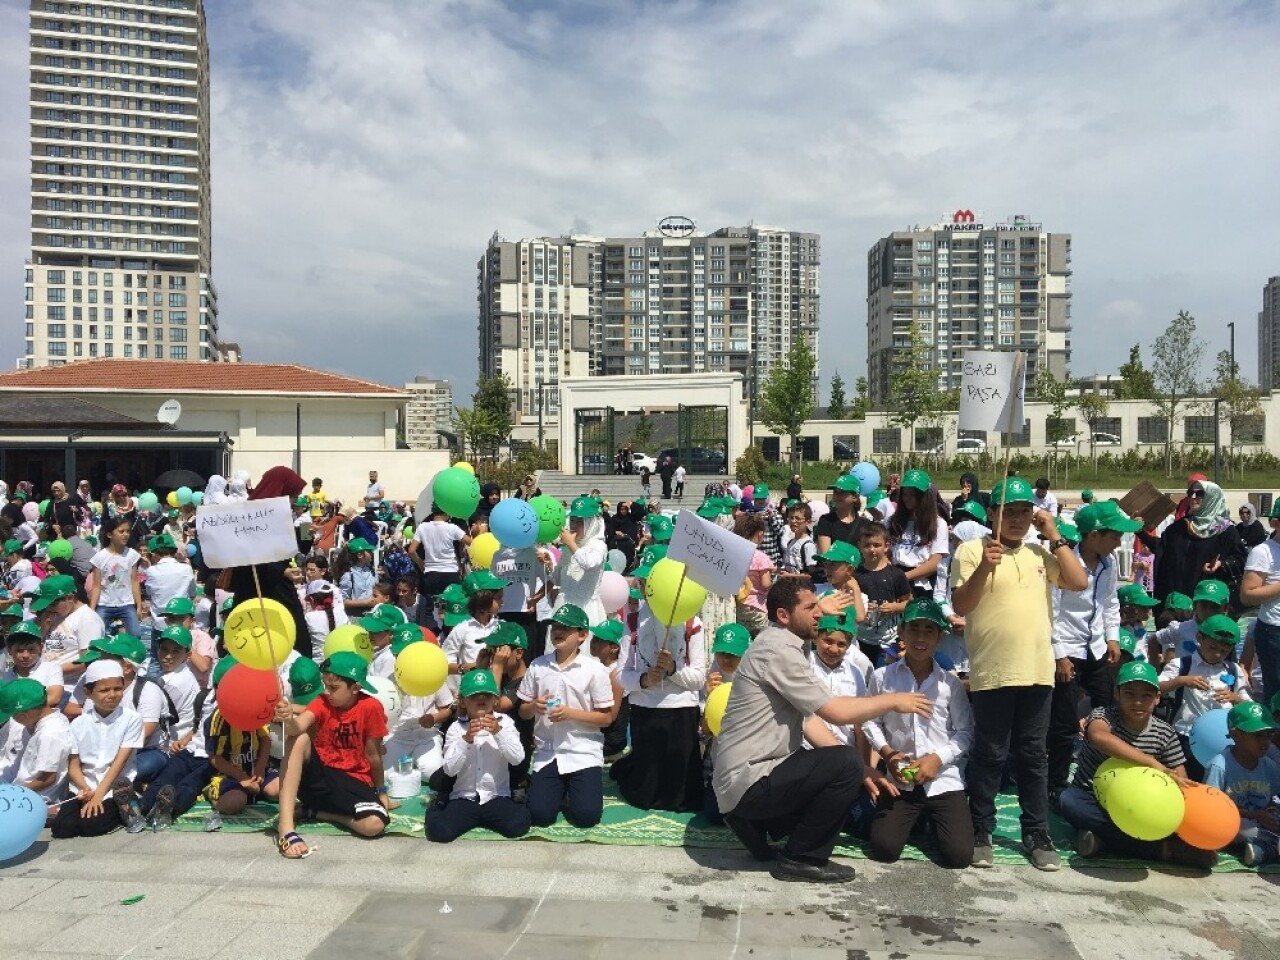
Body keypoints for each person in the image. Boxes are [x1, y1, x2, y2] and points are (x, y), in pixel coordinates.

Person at [712, 579, 930, 883]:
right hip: (751, 778)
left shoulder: (777, 641)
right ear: (784, 616)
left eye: (819, 607)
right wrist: (893, 700)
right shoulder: (779, 651)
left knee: (842, 764)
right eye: (811, 608)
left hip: (743, 779)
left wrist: (865, 769)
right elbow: (834, 713)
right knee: (844, 765)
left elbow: (809, 719)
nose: (819, 614)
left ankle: (754, 825)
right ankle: (801, 858)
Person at [949, 476, 1087, 871]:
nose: (1016, 520)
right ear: (992, 514)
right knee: (989, 754)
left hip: (1037, 672)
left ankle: (1036, 831)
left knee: (1033, 755)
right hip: (992, 671)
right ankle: (981, 828)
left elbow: (1078, 581)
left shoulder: (1039, 555)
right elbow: (963, 603)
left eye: (1024, 512)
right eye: (1008, 512)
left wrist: (1054, 533)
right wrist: (984, 569)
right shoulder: (974, 551)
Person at [1058, 661, 1213, 867]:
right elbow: (1098, 737)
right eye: (1129, 694)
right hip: (1093, 798)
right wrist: (1151, 763)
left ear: (1157, 698)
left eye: (1146, 695)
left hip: (1141, 808)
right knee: (1068, 800)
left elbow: (1181, 780)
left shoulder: (1165, 732)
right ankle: (1160, 850)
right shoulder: (1102, 715)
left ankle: (1103, 841)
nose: (1138, 702)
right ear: (1117, 694)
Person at [863, 598, 974, 869]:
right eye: (914, 629)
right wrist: (888, 754)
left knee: (958, 856)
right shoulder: (882, 677)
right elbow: (869, 721)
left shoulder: (950, 684)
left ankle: (932, 819)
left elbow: (965, 732)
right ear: (901, 633)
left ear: (939, 637)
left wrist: (937, 758)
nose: (920, 638)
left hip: (942, 778)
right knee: (884, 848)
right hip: (901, 776)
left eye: (929, 630)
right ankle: (914, 819)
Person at [1047, 501, 1138, 804]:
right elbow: (1051, 612)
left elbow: (1109, 603)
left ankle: (1101, 773)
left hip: (1096, 648)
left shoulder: (1108, 564)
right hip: (1068, 649)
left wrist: (1112, 638)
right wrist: (1059, 654)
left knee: (1106, 712)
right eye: (1114, 536)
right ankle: (1055, 784)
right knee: (1063, 722)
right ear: (1094, 536)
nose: (1118, 542)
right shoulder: (1062, 562)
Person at [274, 652, 390, 859]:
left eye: (334, 688)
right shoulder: (322, 701)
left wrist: (381, 791)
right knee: (299, 738)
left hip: (354, 779)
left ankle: (315, 812)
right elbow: (298, 726)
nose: (327, 692)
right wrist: (289, 720)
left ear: (355, 688)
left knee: (374, 825)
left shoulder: (371, 707)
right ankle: (286, 829)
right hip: (321, 776)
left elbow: (373, 755)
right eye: (325, 685)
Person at [516, 604, 614, 828]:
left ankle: (571, 790)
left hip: (583, 750)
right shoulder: (538, 665)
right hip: (549, 751)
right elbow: (523, 711)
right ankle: (556, 790)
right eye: (555, 628)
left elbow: (606, 718)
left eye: (565, 628)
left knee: (586, 817)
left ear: (582, 635)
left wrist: (571, 714)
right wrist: (534, 706)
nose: (557, 632)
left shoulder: (594, 670)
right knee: (540, 816)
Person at [615, 594, 706, 812]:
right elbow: (621, 673)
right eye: (643, 581)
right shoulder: (633, 620)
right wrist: (645, 680)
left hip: (682, 709)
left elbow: (699, 678)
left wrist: (673, 670)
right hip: (645, 709)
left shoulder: (692, 621)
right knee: (646, 792)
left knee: (681, 796)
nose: (647, 588)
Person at [426, 668, 531, 843]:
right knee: (440, 832)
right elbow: (450, 770)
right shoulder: (456, 728)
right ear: (463, 702)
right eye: (474, 696)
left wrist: (498, 733)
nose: (481, 699)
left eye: (486, 695)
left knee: (518, 826)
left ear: (495, 700)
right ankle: (437, 805)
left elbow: (517, 758)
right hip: (465, 797)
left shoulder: (506, 723)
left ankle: (514, 802)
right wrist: (466, 740)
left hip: (495, 796)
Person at [51, 659, 146, 838]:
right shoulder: (78, 724)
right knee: (62, 828)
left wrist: (98, 796)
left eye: (117, 689)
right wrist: (85, 789)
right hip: (85, 784)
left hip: (114, 785)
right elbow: (73, 764)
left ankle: (130, 803)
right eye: (104, 690)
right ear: (88, 692)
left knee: (91, 827)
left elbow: (120, 761)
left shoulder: (131, 719)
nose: (112, 694)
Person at [1158, 614, 1251, 780]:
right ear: (1199, 638)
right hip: (1186, 737)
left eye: (1224, 651)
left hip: (1224, 741)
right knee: (1190, 783)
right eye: (1213, 647)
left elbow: (1250, 707)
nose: (1217, 654)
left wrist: (1235, 698)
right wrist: (1181, 681)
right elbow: (1156, 688)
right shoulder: (1181, 665)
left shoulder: (1234, 670)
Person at [1144, 479, 1246, 613]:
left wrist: (1221, 564)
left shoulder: (1225, 531)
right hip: (1177, 605)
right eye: (1190, 492)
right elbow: (1161, 549)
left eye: (1199, 493)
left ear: (1212, 497)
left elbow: (1240, 559)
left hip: (1206, 603)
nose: (1192, 497)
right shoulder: (1179, 527)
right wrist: (1140, 532)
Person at [1204, 701, 1280, 866]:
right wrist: (1255, 816)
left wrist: (1271, 812)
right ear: (1236, 735)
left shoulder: (1270, 766)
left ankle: (1262, 851)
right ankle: (1270, 849)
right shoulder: (1220, 765)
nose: (1265, 741)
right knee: (1245, 829)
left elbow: (1274, 798)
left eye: (1269, 734)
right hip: (1235, 821)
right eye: (1257, 735)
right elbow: (1212, 808)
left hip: (1262, 820)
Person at [7, 677, 72, 808]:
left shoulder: (50, 734)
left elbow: (48, 779)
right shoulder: (43, 723)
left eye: (13, 715)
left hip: (34, 799)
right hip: (22, 791)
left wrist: (13, 794)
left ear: (25, 714)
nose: (13, 719)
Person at [1241, 500, 1280, 706]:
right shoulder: (1263, 552)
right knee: (1276, 697)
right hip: (1275, 631)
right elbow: (1247, 595)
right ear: (1276, 523)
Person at [854, 526, 910, 667]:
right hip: (861, 639)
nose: (872, 549)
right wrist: (863, 608)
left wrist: (895, 607)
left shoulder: (896, 574)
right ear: (860, 546)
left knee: (883, 676)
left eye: (877, 545)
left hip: (889, 642)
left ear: (886, 546)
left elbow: (909, 603)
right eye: (867, 545)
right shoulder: (855, 575)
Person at [887, 469, 947, 599]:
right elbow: (886, 552)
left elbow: (934, 563)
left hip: (921, 583)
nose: (907, 499)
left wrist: (904, 578)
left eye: (912, 495)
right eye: (905, 494)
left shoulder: (938, 524)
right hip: (894, 580)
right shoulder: (892, 521)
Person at [89, 516, 144, 640]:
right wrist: (92, 609)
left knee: (135, 635)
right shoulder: (99, 557)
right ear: (109, 534)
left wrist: (139, 605)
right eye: (121, 531)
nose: (125, 535)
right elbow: (96, 585)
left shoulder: (132, 555)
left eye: (128, 531)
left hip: (126, 603)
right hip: (104, 603)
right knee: (97, 635)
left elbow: (134, 581)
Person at [814, 476, 871, 556]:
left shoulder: (865, 524)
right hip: (834, 567)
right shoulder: (826, 521)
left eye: (842, 492)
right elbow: (826, 556)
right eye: (835, 492)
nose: (837, 496)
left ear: (855, 497)